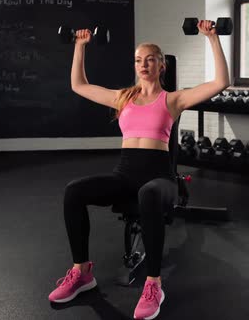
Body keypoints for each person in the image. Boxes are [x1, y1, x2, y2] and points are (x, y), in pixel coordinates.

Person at [48, 20, 229, 320]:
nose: (143, 65)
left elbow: (221, 81)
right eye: (137, 60)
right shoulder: (123, 98)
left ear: (161, 66)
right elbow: (78, 85)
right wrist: (80, 47)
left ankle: (154, 284)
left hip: (160, 178)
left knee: (149, 192)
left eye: (150, 60)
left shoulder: (173, 99)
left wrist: (212, 38)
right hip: (125, 175)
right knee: (74, 191)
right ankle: (81, 272)